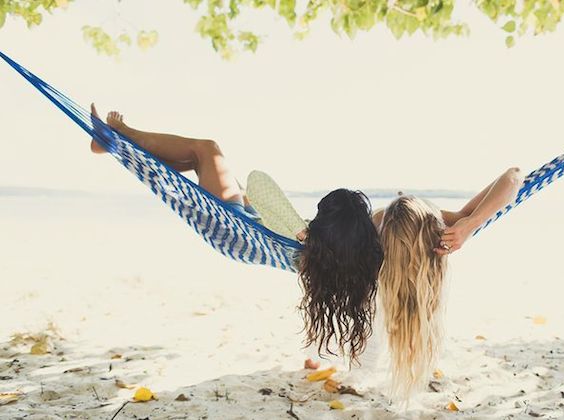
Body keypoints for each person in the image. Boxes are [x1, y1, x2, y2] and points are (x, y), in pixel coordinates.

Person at [89, 105, 383, 367]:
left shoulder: (303, 240)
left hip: (227, 225)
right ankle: (117, 145)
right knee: (201, 165)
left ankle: (119, 136)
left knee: (206, 150)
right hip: (240, 228)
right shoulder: (333, 256)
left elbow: (258, 180)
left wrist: (299, 229)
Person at [372, 167, 524, 398]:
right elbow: (514, 176)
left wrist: (470, 222)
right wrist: (471, 222)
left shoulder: (376, 231)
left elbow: (514, 177)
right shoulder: (444, 233)